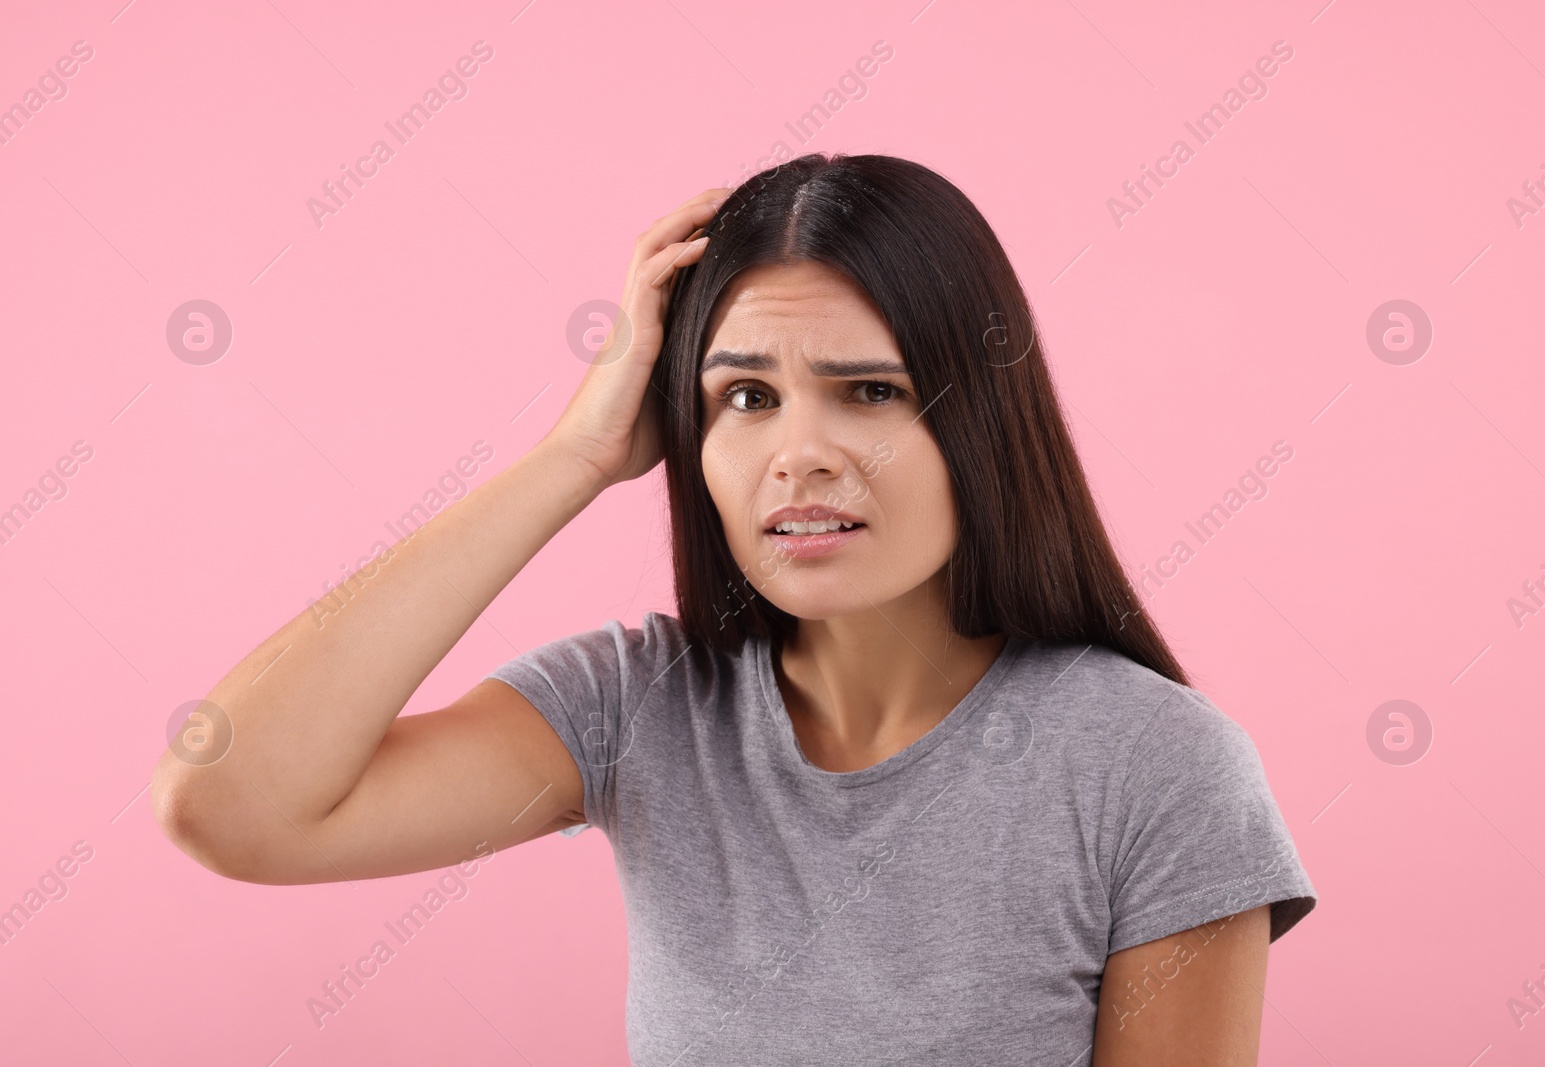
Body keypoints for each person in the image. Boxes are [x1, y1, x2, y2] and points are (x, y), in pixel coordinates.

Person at [152, 153, 1316, 1065]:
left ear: (979, 422)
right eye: (744, 396)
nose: (797, 456)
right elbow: (232, 800)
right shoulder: (638, 706)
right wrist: (573, 453)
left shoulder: (1157, 770)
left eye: (870, 391)